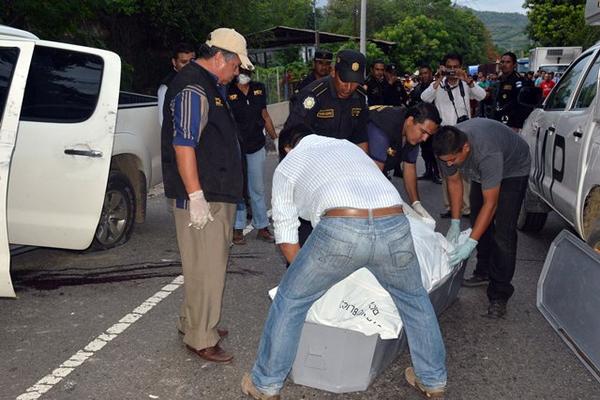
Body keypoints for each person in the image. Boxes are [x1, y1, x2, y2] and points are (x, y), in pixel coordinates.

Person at [241, 129, 447, 400]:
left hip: (342, 225)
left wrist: (306, 281)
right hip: (395, 222)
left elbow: (287, 234)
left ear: (288, 148)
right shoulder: (348, 147)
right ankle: (432, 380)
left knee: (290, 300)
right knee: (414, 300)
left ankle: (266, 384)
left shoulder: (289, 164)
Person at [161, 27, 253, 363]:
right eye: (235, 66)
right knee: (207, 267)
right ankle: (201, 337)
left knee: (202, 264)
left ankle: (194, 322)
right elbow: (184, 144)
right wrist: (196, 196)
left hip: (214, 191)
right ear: (219, 58)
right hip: (204, 196)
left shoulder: (206, 83)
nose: (237, 73)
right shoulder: (193, 86)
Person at [432, 118, 531, 319]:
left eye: (452, 160)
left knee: (503, 231)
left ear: (465, 148)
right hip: (480, 171)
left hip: (514, 168)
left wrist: (470, 243)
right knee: (478, 221)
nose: (449, 164)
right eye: (445, 161)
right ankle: (484, 271)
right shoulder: (445, 149)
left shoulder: (487, 153)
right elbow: (454, 183)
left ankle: (499, 294)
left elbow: (491, 203)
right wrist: (455, 222)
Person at [279, 49, 369, 247]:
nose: (349, 87)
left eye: (354, 83)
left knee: (337, 228)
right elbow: (292, 135)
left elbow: (361, 138)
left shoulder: (360, 97)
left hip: (341, 175)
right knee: (307, 229)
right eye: (345, 81)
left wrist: (365, 176)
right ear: (334, 73)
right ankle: (298, 270)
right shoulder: (313, 95)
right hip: (311, 173)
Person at [421, 53, 486, 219]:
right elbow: (424, 98)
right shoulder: (439, 85)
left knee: (465, 172)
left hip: (463, 133)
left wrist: (469, 80)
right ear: (443, 67)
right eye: (449, 67)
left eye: (455, 67)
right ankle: (450, 206)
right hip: (443, 134)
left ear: (461, 67)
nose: (452, 70)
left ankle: (467, 207)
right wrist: (438, 79)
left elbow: (482, 96)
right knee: (446, 172)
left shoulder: (466, 84)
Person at [227, 68, 278, 245]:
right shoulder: (228, 90)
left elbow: (265, 115)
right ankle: (238, 228)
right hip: (236, 148)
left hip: (256, 145)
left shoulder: (259, 88)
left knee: (257, 188)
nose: (243, 74)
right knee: (239, 189)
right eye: (240, 70)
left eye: (247, 71)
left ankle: (262, 226)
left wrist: (276, 139)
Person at [367, 103, 441, 221]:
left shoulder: (412, 133)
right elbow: (375, 178)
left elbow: (410, 167)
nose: (424, 139)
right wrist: (395, 205)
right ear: (410, 121)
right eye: (423, 132)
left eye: (429, 135)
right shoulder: (383, 128)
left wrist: (416, 204)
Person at [408, 64, 441, 184]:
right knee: (425, 150)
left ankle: (437, 173)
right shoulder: (417, 88)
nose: (423, 76)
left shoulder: (436, 86)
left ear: (431, 73)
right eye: (421, 73)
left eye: (426, 73)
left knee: (434, 150)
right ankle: (428, 172)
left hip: (433, 125)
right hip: (421, 124)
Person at [492, 52, 533, 131]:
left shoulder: (520, 82)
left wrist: (517, 125)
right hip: (497, 122)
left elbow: (525, 105)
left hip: (512, 125)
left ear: (514, 65)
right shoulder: (499, 81)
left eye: (508, 62)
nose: (504, 64)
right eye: (502, 62)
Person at [157, 42, 195, 126]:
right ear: (174, 62)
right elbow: (163, 121)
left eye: (192, 61)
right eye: (184, 62)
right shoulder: (166, 87)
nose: (189, 66)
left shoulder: (200, 80)